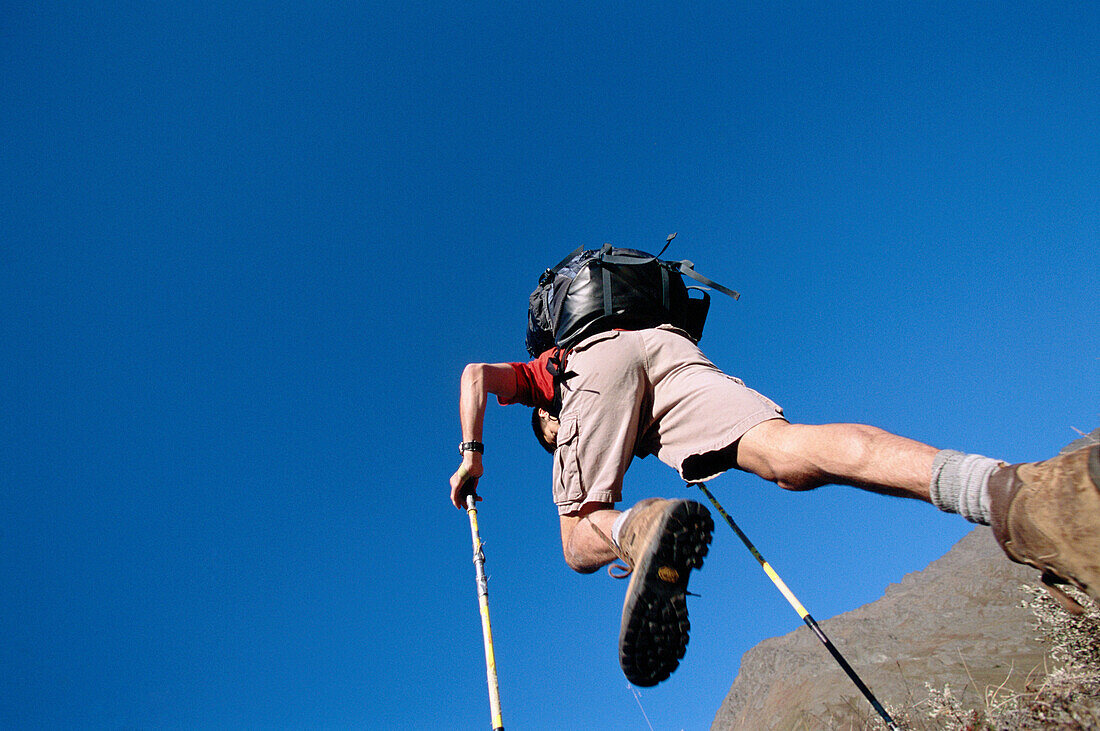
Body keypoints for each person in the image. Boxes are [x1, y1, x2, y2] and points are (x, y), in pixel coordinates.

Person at [449, 324, 1100, 687]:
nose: (556, 440)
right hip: (667, 344)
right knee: (785, 453)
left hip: (595, 369)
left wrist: (473, 453)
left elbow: (476, 374)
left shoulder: (548, 377)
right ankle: (1017, 492)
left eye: (551, 434)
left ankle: (635, 526)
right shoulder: (630, 330)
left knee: (576, 536)